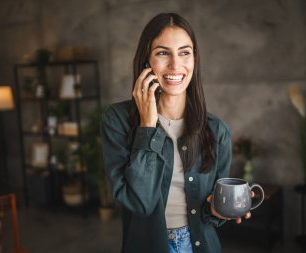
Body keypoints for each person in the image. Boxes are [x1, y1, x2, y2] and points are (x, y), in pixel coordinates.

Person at [100, 12, 253, 253]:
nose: (175, 65)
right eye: (162, 53)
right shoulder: (116, 120)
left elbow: (212, 213)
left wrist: (216, 210)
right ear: (146, 61)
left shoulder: (217, 130)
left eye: (184, 52)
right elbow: (139, 203)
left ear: (194, 59)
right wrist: (147, 126)